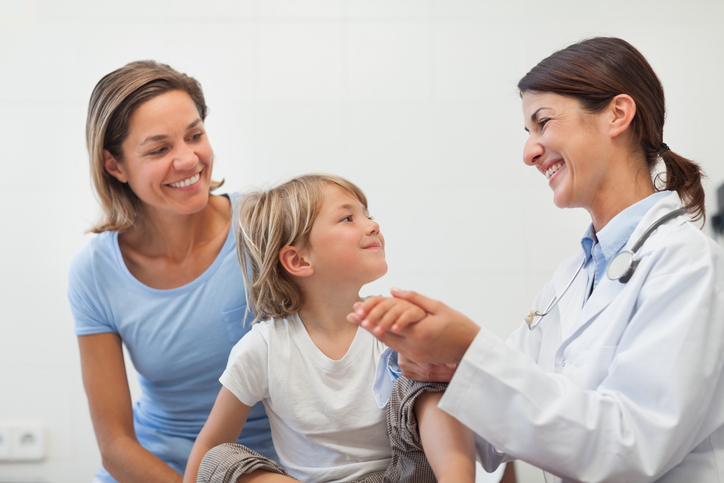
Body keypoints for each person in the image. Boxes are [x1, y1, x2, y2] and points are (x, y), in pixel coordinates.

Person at [348, 37, 724, 483]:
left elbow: (630, 448)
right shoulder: (571, 277)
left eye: (542, 123)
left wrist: (469, 349)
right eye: (529, 133)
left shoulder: (688, 263)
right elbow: (497, 437)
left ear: (617, 115)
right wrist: (436, 365)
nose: (529, 152)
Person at [183, 174, 476, 483]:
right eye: (348, 218)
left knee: (424, 372)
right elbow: (209, 446)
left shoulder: (394, 325)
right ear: (298, 260)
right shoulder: (263, 348)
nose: (372, 224)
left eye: (368, 214)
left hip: (399, 477)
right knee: (219, 459)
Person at [68, 61, 276, 483]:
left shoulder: (265, 224)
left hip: (265, 467)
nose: (188, 159)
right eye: (159, 149)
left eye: (195, 135)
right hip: (155, 469)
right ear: (115, 165)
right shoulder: (95, 271)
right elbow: (115, 446)